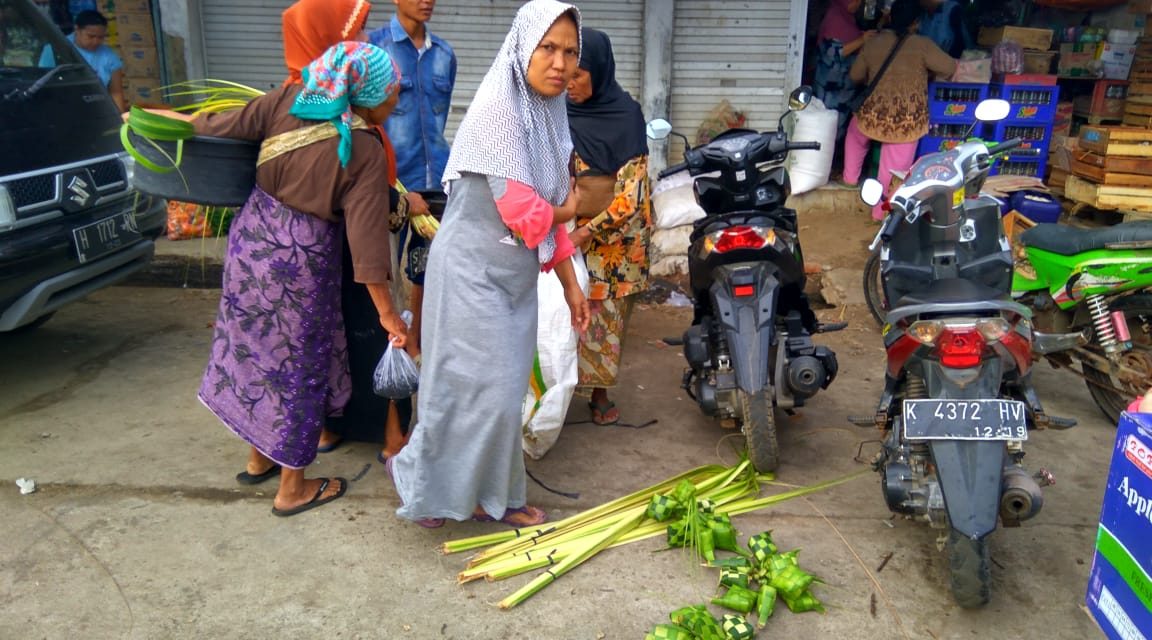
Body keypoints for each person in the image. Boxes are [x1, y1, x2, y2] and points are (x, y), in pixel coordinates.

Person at [385, 0, 589, 528]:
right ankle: (428, 487)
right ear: (524, 46)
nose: (560, 63)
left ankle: (495, 495)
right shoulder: (500, 108)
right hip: (471, 275)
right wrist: (570, 206)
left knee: (500, 397)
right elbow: (528, 214)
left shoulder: (549, 114)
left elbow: (547, 218)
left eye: (570, 51)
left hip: (512, 278)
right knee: (461, 391)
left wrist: (570, 287)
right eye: (548, 48)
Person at [192, 41, 407, 517]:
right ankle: (292, 489)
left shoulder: (285, 100)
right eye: (391, 92)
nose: (395, 102)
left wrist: (164, 122)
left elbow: (217, 126)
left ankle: (258, 458)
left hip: (250, 252)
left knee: (254, 356)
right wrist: (389, 315)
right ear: (365, 93)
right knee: (297, 368)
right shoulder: (364, 148)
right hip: (299, 270)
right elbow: (367, 245)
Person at [277, 0, 413, 458]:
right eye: (349, 32)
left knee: (326, 339)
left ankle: (330, 428)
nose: (357, 42)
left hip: (303, 252)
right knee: (370, 333)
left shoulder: (296, 97)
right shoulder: (347, 113)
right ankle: (393, 436)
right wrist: (388, 308)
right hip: (346, 245)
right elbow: (362, 209)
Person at [565, 27, 650, 426]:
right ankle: (558, 392)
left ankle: (598, 393)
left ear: (599, 71)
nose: (568, 80)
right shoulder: (558, 112)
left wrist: (584, 232)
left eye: (578, 73)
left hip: (615, 241)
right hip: (566, 230)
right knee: (561, 314)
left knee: (606, 320)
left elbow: (631, 196)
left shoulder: (626, 116)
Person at [369, 0, 457, 372]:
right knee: (385, 269)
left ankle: (416, 345)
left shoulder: (444, 55)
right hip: (390, 183)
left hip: (434, 180)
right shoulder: (376, 50)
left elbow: (443, 114)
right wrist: (391, 186)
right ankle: (389, 344)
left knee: (425, 271)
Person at [842, 0, 955, 220]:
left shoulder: (874, 43)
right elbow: (950, 67)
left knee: (855, 135)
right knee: (892, 170)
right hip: (906, 122)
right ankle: (881, 214)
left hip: (873, 115)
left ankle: (849, 179)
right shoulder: (923, 45)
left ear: (890, 18)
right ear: (916, 22)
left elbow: (855, 75)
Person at [813, 0, 875, 152]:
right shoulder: (835, 18)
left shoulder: (848, 18)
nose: (858, 5)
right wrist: (862, 40)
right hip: (830, 87)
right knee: (825, 125)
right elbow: (834, 53)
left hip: (843, 88)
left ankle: (829, 160)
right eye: (855, 1)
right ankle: (824, 158)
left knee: (837, 127)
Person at [38, 10, 124, 110]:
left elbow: (116, 93)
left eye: (100, 37)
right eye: (90, 36)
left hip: (97, 109)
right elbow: (43, 85)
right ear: (77, 30)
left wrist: (121, 119)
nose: (96, 41)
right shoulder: (55, 49)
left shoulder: (109, 56)